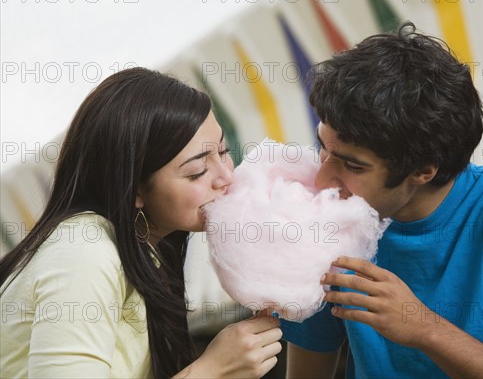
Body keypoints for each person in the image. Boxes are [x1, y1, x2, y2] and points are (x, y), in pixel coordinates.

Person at [282, 22, 483, 378]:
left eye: (354, 165)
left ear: (423, 170)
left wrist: (425, 329)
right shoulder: (326, 226)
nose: (324, 179)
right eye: (323, 149)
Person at [0, 67, 282, 378]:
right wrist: (212, 369)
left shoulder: (143, 253)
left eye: (223, 151)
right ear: (134, 189)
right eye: (197, 171)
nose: (227, 176)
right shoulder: (84, 255)